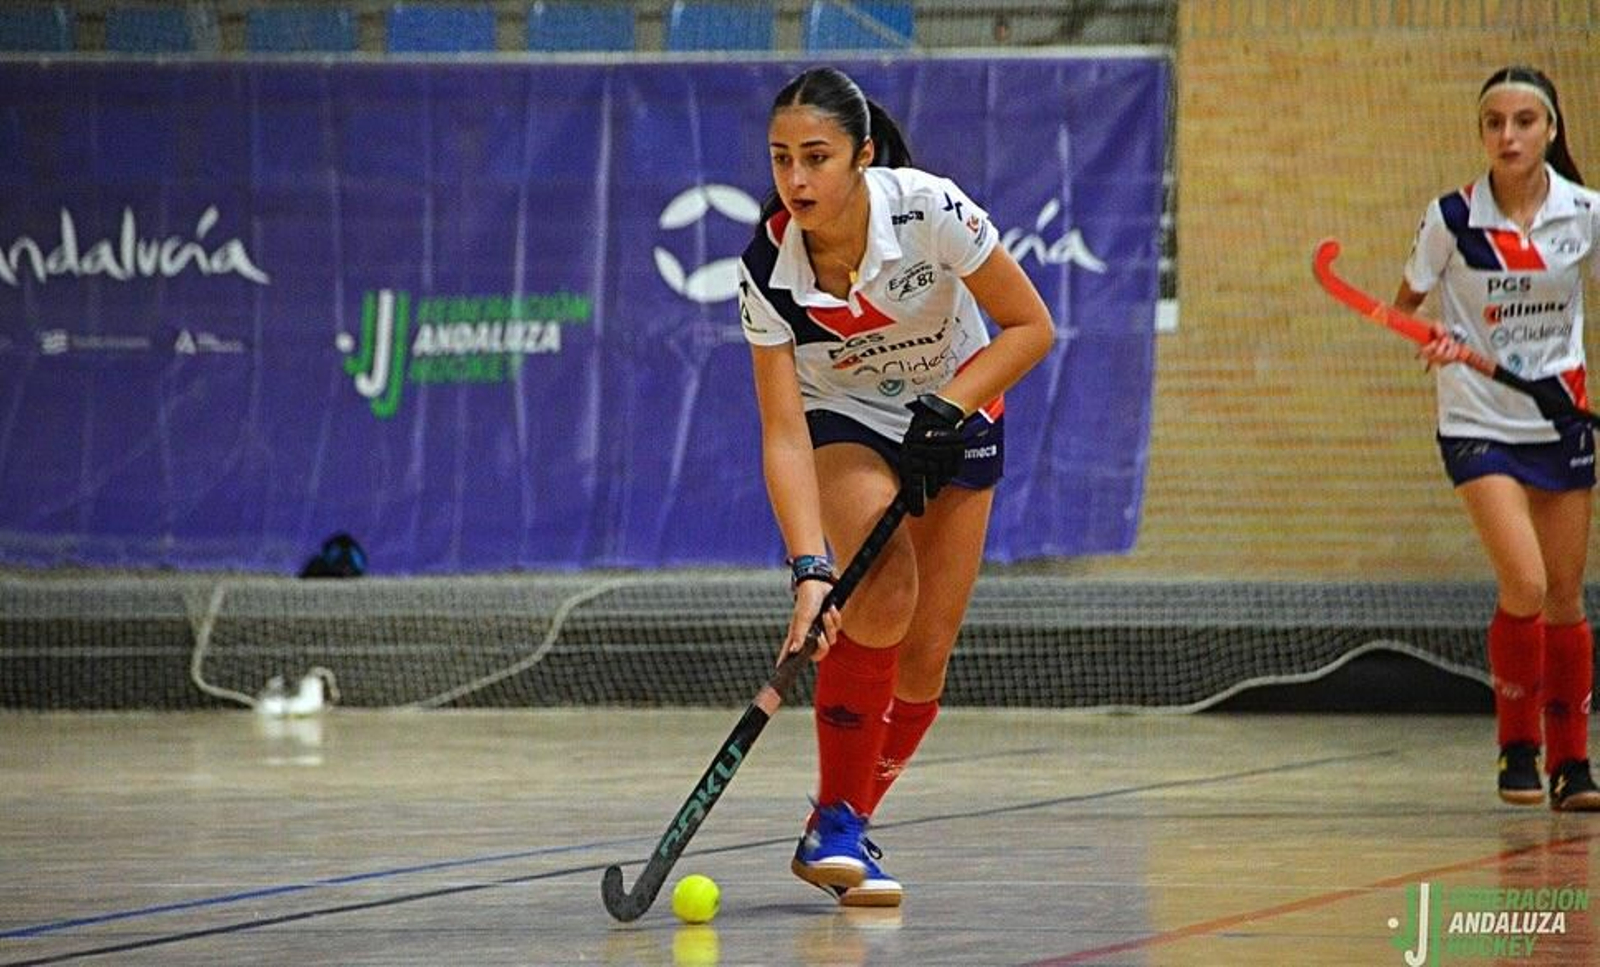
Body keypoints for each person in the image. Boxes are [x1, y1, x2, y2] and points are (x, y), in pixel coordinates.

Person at [737, 66, 1055, 905]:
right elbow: (783, 431)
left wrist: (949, 406)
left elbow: (1032, 327)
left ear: (862, 156)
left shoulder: (929, 210)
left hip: (959, 403)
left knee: (924, 657)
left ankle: (835, 828)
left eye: (816, 157)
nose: (796, 180)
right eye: (780, 160)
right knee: (880, 590)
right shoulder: (768, 264)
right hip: (843, 416)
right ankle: (840, 822)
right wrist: (809, 568)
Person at [1396, 66, 1600, 812]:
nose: (1507, 136)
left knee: (1567, 598)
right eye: (1494, 123)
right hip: (1477, 417)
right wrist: (1436, 337)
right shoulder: (1452, 217)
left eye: (1523, 122)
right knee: (1527, 582)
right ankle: (1518, 742)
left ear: (1550, 130)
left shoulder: (1586, 213)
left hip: (1558, 417)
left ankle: (1573, 765)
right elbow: (1406, 307)